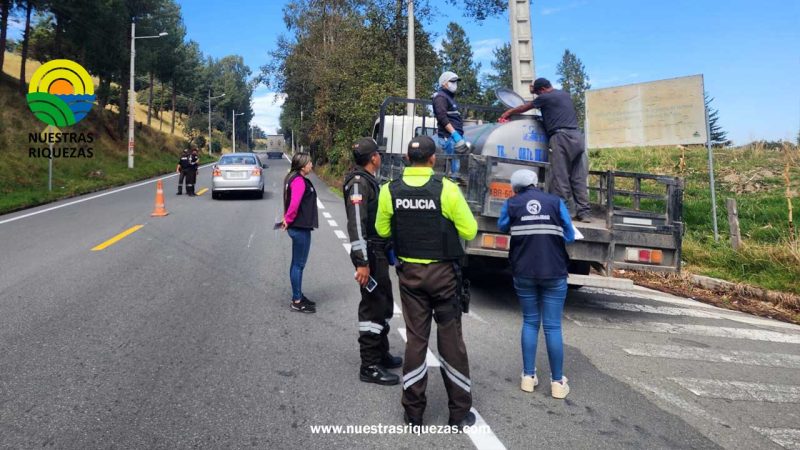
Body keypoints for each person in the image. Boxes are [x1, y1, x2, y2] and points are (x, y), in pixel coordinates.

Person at [375, 135, 478, 429]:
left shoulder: (389, 190)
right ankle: (458, 414)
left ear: (407, 159)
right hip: (445, 277)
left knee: (416, 341)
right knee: (451, 342)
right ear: (433, 159)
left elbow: (382, 231)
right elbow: (469, 231)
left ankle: (414, 414)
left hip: (410, 277)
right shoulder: (447, 189)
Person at [497, 169, 575, 399]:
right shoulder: (555, 202)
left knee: (530, 322)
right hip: (554, 271)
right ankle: (558, 382)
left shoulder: (511, 204)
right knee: (552, 326)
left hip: (524, 271)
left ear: (515, 187)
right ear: (535, 183)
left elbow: (502, 227)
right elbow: (569, 235)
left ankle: (528, 377)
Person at [344, 138, 402, 386]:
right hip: (369, 255)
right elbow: (357, 226)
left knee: (385, 303)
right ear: (373, 158)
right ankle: (369, 366)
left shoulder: (369, 181)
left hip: (378, 253)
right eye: (378, 153)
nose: (380, 157)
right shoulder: (358, 184)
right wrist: (362, 262)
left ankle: (380, 352)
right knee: (372, 307)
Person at [499, 77, 591, 222]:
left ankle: (564, 213)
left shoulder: (546, 97)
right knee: (577, 177)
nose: (538, 96)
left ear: (542, 90)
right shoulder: (564, 95)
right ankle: (584, 213)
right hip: (577, 137)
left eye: (537, 93)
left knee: (560, 177)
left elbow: (525, 107)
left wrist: (508, 113)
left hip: (561, 138)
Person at [282, 152, 319, 313]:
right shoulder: (298, 181)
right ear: (303, 165)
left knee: (296, 263)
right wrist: (288, 219)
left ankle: (298, 295)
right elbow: (294, 204)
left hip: (298, 226)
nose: (312, 165)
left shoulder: (294, 177)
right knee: (299, 264)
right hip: (299, 227)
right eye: (310, 162)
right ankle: (297, 301)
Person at [432, 71, 469, 177]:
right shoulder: (440, 97)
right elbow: (442, 117)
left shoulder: (449, 98)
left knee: (456, 166)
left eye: (456, 82)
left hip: (453, 137)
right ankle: (451, 184)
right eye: (452, 81)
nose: (455, 84)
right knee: (453, 168)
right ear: (444, 83)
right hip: (449, 137)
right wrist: (454, 134)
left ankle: (453, 182)